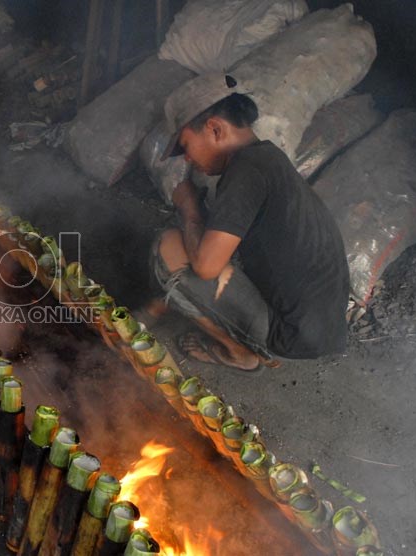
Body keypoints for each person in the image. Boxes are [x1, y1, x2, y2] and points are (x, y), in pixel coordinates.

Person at [150, 73, 350, 371]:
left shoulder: (245, 174)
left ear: (215, 129)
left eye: (186, 146)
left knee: (170, 247)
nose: (188, 160)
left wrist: (189, 208)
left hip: (293, 333)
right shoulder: (267, 158)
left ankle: (241, 352)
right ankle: (253, 334)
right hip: (324, 326)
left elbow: (206, 266)